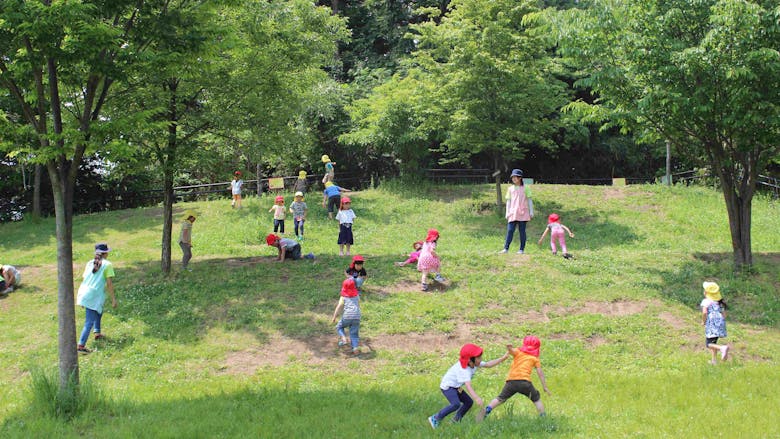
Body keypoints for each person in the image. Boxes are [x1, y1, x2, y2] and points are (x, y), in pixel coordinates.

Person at [427, 344, 509, 429]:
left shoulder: (473, 364)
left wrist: (502, 358)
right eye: (479, 358)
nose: (481, 360)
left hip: (456, 386)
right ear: (470, 360)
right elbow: (468, 386)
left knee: (468, 402)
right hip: (448, 387)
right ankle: (435, 418)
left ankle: (455, 420)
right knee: (455, 404)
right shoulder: (464, 370)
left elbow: (488, 364)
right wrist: (477, 398)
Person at [477, 335, 552, 421]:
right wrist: (544, 386)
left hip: (511, 382)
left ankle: (486, 411)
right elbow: (540, 373)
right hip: (525, 382)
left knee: (500, 398)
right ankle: (543, 417)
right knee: (536, 399)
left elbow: (511, 351)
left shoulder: (518, 352)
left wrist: (509, 348)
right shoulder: (535, 358)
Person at [76, 243, 117, 353]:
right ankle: (81, 346)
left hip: (84, 292)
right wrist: (113, 299)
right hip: (93, 295)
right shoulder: (107, 265)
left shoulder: (90, 263)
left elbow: (84, 277)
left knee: (98, 312)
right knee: (89, 321)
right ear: (106, 253)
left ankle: (97, 332)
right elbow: (109, 284)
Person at [500, 169, 533, 254]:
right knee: (510, 230)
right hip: (513, 212)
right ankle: (506, 248)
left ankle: (521, 249)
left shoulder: (526, 187)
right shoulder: (510, 188)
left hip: (523, 212)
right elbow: (508, 201)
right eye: (513, 177)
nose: (514, 179)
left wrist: (531, 211)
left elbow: (529, 200)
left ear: (520, 178)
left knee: (522, 231)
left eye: (515, 177)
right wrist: (507, 212)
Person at [331, 277, 362, 355]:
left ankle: (343, 338)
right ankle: (355, 348)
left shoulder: (343, 297)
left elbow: (339, 307)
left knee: (339, 327)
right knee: (354, 333)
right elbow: (358, 305)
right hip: (357, 315)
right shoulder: (357, 295)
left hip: (348, 315)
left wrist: (334, 317)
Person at [701, 281, 729, 365]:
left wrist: (704, 321)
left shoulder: (706, 301)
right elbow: (724, 315)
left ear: (706, 292)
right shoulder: (719, 302)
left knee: (708, 344)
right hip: (720, 322)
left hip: (711, 322)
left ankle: (722, 348)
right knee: (714, 342)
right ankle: (714, 361)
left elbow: (705, 313)